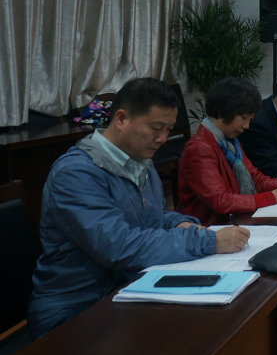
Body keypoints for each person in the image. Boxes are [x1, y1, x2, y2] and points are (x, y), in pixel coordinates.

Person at [28, 78, 251, 339]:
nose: (163, 138)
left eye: (168, 129)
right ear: (121, 119)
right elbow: (118, 246)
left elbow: (153, 215)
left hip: (130, 288)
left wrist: (178, 223)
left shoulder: (140, 161)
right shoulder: (76, 173)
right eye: (156, 128)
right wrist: (207, 241)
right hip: (77, 307)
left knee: (223, 320)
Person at [177, 77, 277, 225]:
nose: (247, 125)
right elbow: (220, 201)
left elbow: (256, 180)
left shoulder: (230, 141)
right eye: (243, 118)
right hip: (208, 228)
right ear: (223, 110)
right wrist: (273, 197)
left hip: (233, 221)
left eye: (250, 119)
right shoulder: (199, 148)